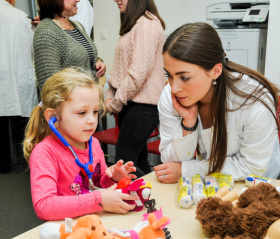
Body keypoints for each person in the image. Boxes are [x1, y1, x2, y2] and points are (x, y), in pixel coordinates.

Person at [154, 22, 280, 184]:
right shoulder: (170, 95)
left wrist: (188, 170)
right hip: (212, 181)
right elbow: (169, 159)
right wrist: (188, 126)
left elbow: (253, 167)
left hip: (259, 184)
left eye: (184, 77)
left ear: (215, 71)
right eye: (169, 75)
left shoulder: (253, 101)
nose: (174, 88)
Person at [23, 68, 138, 221]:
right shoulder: (45, 153)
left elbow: (96, 185)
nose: (92, 120)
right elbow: (44, 205)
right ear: (53, 117)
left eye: (95, 111)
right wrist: (99, 200)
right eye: (82, 113)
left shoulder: (94, 144)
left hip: (97, 220)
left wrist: (112, 178)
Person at [105, 0, 166, 177]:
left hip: (142, 108)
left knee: (124, 166)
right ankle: (155, 201)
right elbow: (119, 69)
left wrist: (115, 102)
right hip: (131, 105)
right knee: (137, 162)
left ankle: (150, 200)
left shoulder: (147, 24)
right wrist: (110, 94)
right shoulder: (134, 24)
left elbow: (138, 72)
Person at [34, 0, 106, 92]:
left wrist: (98, 62)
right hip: (70, 103)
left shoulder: (77, 26)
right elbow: (51, 84)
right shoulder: (46, 32)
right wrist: (92, 74)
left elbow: (82, 58)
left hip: (88, 99)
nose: (78, 0)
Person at [0, 0, 38, 173]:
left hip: (4, 77)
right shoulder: (21, 17)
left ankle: (3, 165)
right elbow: (32, 47)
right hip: (19, 76)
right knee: (22, 121)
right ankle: (25, 161)